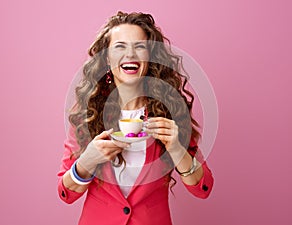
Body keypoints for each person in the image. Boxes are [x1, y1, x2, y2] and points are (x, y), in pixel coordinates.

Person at [58, 11, 214, 225]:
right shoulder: (89, 113)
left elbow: (202, 188)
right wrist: (88, 160)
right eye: (120, 47)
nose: (130, 54)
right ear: (106, 58)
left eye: (139, 46)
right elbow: (66, 193)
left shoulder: (170, 112)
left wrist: (176, 148)